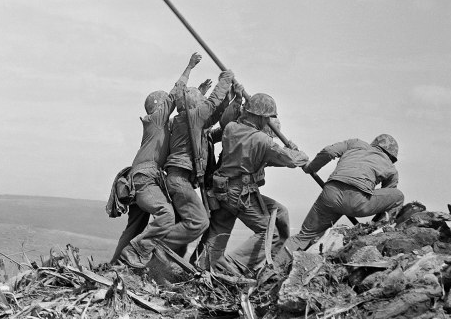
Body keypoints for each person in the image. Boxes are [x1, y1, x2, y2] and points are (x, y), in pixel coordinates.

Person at [198, 92, 309, 273]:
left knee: (220, 231)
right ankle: (232, 265)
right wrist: (300, 153)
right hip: (240, 194)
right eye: (267, 119)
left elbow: (264, 158)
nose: (268, 122)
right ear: (260, 117)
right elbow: (289, 159)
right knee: (270, 234)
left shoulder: (231, 129)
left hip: (222, 190)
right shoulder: (262, 140)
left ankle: (203, 266)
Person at [114, 53, 202, 269]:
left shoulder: (160, 127)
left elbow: (187, 116)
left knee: (134, 226)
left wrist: (200, 94)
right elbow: (175, 95)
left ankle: (115, 265)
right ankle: (137, 252)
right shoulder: (155, 120)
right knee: (166, 214)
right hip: (145, 178)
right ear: (159, 106)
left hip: (140, 179)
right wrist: (189, 67)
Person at [277, 134, 404, 265]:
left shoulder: (356, 143)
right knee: (398, 196)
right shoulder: (391, 168)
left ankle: (272, 269)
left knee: (303, 236)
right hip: (358, 202)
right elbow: (387, 198)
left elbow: (329, 151)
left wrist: (311, 168)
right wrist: (373, 225)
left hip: (330, 194)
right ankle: (378, 232)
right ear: (392, 156)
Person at [159, 67, 235, 256]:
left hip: (177, 180)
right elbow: (213, 102)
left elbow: (215, 114)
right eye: (200, 102)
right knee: (199, 222)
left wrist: (231, 98)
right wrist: (225, 79)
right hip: (179, 180)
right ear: (195, 105)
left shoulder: (183, 120)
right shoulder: (192, 117)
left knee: (183, 227)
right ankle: (156, 245)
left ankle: (164, 261)